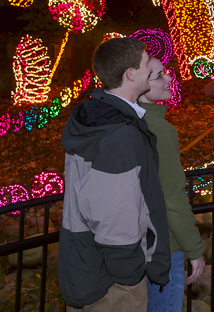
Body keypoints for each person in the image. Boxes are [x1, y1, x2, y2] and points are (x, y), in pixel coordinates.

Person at [59, 37, 170, 311]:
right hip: (114, 283)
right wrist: (129, 273)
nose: (151, 70)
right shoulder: (119, 132)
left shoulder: (96, 118)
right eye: (146, 64)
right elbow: (113, 212)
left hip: (90, 266)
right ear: (131, 74)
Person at [138, 58, 206, 312]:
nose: (169, 79)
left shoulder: (124, 123)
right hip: (164, 246)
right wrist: (194, 248)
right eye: (159, 76)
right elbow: (172, 198)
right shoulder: (158, 129)